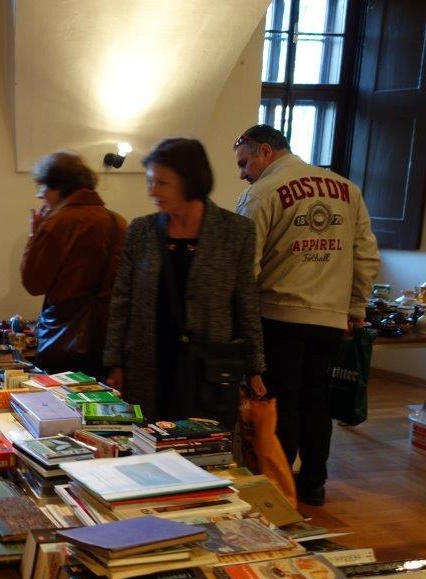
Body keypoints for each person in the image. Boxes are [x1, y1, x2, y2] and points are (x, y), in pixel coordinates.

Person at [233, 124, 380, 506]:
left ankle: (279, 486)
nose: (243, 173)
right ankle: (313, 482)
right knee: (316, 400)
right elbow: (366, 255)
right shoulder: (347, 189)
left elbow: (245, 264)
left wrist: (239, 319)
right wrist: (356, 306)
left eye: (244, 163)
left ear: (265, 151)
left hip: (278, 314)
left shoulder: (262, 192)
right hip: (329, 318)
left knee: (281, 401)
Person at [104, 138, 267, 421]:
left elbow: (246, 304)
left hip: (209, 369)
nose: (152, 191)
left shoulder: (236, 231)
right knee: (147, 439)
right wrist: (114, 363)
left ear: (190, 180)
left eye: (162, 183)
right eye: (150, 181)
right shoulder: (141, 231)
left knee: (204, 442)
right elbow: (121, 301)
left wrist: (254, 369)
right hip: (148, 363)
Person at [21, 151, 127, 376]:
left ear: (58, 186)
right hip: (108, 341)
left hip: (65, 340)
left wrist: (34, 235)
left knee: (62, 398)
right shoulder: (118, 222)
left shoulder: (57, 223)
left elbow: (34, 283)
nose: (40, 195)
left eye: (43, 187)